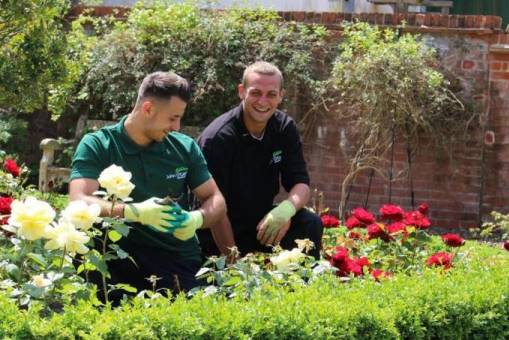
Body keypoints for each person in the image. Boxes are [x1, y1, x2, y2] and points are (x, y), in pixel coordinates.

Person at [69, 71, 226, 300]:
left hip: (174, 255)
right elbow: (78, 200)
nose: (177, 126)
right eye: (172, 118)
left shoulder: (184, 148)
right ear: (148, 109)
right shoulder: (99, 145)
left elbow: (216, 200)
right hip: (116, 255)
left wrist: (197, 219)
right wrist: (134, 212)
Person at [197, 61, 323, 260]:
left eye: (271, 94)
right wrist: (234, 264)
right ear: (241, 91)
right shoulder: (218, 138)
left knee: (310, 223)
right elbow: (213, 208)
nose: (263, 101)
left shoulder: (284, 127)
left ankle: (301, 287)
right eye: (256, 93)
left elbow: (301, 184)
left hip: (260, 224)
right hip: (219, 228)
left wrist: (285, 211)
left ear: (281, 95)